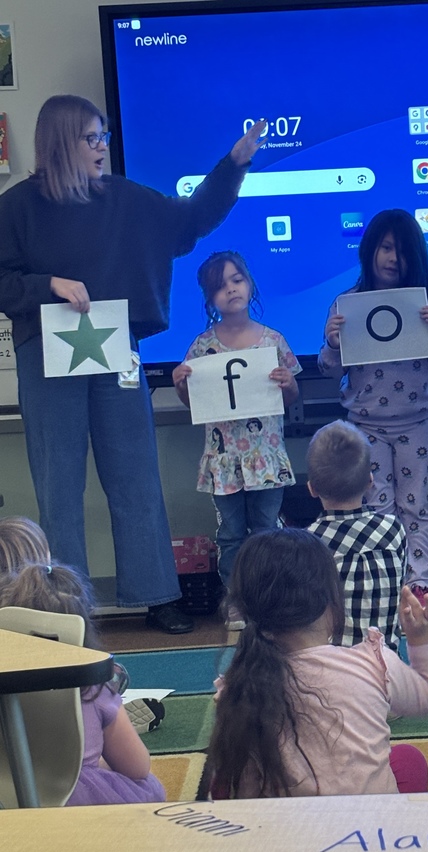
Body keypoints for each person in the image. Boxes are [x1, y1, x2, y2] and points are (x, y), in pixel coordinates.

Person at [0, 94, 268, 634]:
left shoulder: (124, 198)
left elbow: (191, 220)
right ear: (61, 142)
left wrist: (233, 164)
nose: (103, 147)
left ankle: (156, 593)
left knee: (135, 471)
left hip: (116, 347)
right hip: (45, 354)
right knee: (59, 482)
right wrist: (46, 284)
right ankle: (65, 604)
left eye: (105, 137)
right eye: (92, 138)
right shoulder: (16, 207)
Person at [207, 528, 428, 798]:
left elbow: (242, 793)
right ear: (331, 601)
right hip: (373, 833)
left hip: (287, 834)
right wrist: (419, 638)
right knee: (408, 759)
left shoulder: (238, 689)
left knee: (225, 773)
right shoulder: (373, 664)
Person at [318, 209, 428, 605]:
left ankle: (420, 581)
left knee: (415, 504)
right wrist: (331, 342)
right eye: (385, 248)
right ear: (370, 251)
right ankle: (386, 578)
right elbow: (330, 370)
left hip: (417, 422)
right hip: (365, 424)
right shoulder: (348, 305)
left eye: (403, 251)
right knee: (375, 506)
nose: (393, 258)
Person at [171, 251, 300, 627]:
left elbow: (289, 397)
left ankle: (269, 597)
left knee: (266, 530)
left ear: (250, 283)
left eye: (237, 279)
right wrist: (181, 385)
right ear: (209, 297)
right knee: (230, 534)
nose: (231, 289)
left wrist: (289, 385)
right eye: (220, 285)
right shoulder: (202, 346)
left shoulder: (273, 339)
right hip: (223, 458)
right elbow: (196, 404)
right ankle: (235, 599)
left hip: (266, 456)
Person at [0, 561, 165, 805]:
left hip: (7, 793)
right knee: (149, 787)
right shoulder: (93, 689)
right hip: (74, 798)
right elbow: (137, 767)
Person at [306, 419, 407, 649]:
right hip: (386, 669)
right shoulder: (393, 530)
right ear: (370, 481)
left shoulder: (307, 544)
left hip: (333, 673)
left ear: (311, 488)